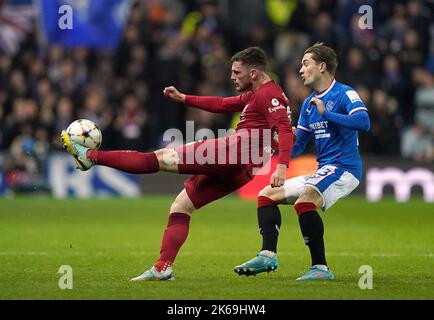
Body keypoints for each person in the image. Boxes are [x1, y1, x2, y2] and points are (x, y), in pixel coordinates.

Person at [60, 47, 294, 281]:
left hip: (234, 152)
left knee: (156, 159)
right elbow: (222, 104)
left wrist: (282, 166)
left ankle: (90, 156)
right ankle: (163, 267)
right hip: (243, 169)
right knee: (181, 206)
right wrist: (185, 98)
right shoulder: (260, 93)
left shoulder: (268, 95)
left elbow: (283, 129)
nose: (232, 77)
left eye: (236, 72)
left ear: (253, 73)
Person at [234, 43, 370, 280]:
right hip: (324, 169)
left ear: (322, 66)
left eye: (306, 63)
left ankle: (321, 268)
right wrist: (279, 135)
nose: (301, 70)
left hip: (344, 168)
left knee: (304, 202)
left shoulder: (345, 93)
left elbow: (363, 122)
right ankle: (267, 255)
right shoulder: (309, 104)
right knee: (267, 195)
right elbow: (297, 146)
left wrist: (328, 114)